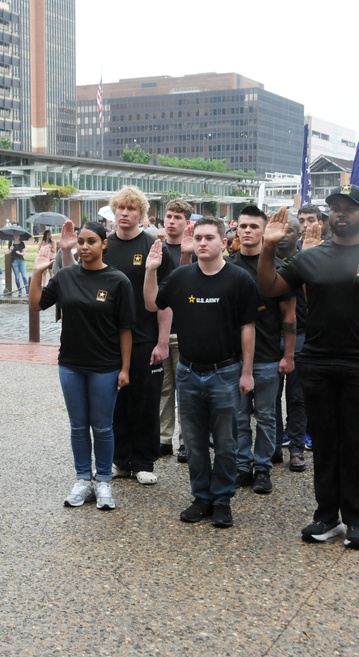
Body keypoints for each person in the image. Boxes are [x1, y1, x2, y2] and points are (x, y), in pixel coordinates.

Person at [258, 185, 359, 550]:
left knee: (356, 442)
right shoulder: (312, 257)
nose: (342, 213)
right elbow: (269, 287)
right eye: (336, 208)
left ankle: (357, 520)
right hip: (319, 363)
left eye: (349, 208)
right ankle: (327, 516)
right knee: (325, 442)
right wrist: (268, 247)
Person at [145, 216, 257, 528]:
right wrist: (151, 272)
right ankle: (201, 497)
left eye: (210, 237)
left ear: (224, 242)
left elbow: (249, 328)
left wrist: (247, 372)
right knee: (194, 442)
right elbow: (153, 303)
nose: (203, 243)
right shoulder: (182, 277)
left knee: (224, 442)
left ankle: (222, 500)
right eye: (199, 238)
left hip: (225, 372)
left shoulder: (239, 280)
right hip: (189, 372)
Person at [30, 221, 134, 510]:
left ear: (104, 244)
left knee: (102, 426)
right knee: (78, 426)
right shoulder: (65, 277)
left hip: (106, 365)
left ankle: (103, 482)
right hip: (71, 365)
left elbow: (126, 328)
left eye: (91, 241)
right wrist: (38, 272)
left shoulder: (118, 281)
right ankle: (82, 480)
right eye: (81, 242)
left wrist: (125, 368)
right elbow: (36, 305)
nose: (85, 247)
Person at [103, 186, 173, 486]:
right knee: (116, 402)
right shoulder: (105, 246)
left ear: (141, 214)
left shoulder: (154, 247)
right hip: (110, 339)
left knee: (146, 401)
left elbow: (166, 299)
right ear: (114, 211)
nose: (125, 213)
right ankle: (120, 459)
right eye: (121, 208)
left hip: (145, 336)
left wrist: (162, 341)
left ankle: (144, 460)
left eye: (132, 209)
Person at [228, 206, 296, 495]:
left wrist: (288, 354)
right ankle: (243, 465)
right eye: (242, 226)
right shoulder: (226, 266)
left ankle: (263, 467)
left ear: (265, 230)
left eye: (254, 226)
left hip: (268, 356)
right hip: (232, 357)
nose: (247, 231)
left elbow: (289, 316)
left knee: (267, 416)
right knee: (238, 416)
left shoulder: (279, 268)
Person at [158, 199, 194, 461]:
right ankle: (163, 437)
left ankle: (186, 439)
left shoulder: (193, 248)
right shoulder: (156, 248)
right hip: (159, 330)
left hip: (184, 329)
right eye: (169, 216)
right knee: (164, 387)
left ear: (186, 222)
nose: (172, 221)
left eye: (177, 217)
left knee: (186, 388)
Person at [273, 214, 309, 472]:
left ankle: (296, 448)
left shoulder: (308, 260)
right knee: (270, 398)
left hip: (302, 336)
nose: (285, 234)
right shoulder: (267, 261)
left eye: (291, 231)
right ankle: (273, 445)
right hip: (270, 336)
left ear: (299, 235)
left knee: (297, 397)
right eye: (281, 230)